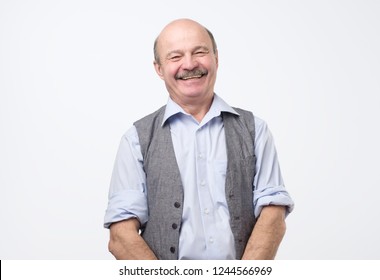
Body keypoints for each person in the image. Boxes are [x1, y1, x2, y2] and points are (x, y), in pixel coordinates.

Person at [104, 18, 294, 260]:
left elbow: (273, 214)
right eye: (175, 57)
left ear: (216, 57)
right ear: (159, 69)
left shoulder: (254, 129)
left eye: (200, 52)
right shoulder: (136, 139)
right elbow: (121, 236)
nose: (189, 64)